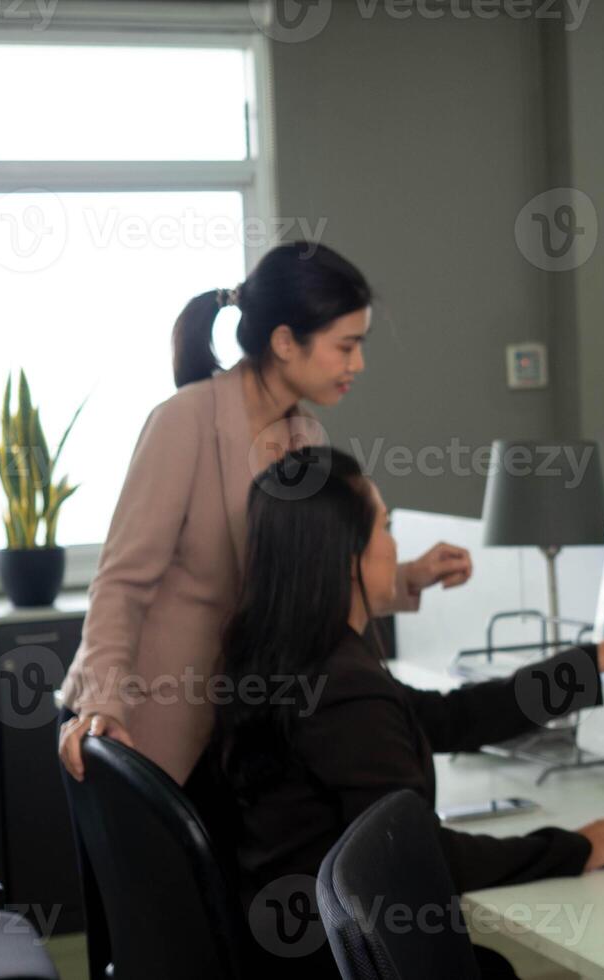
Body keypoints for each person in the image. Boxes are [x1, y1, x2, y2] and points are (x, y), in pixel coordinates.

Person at [213, 447, 604, 977]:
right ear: (346, 555)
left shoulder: (286, 656)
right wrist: (573, 847)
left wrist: (587, 665)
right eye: (383, 526)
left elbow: (451, 717)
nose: (394, 544)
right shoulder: (342, 688)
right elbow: (416, 858)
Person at [58, 241, 473, 789]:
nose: (358, 364)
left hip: (234, 729)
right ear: (284, 342)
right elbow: (120, 583)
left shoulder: (305, 438)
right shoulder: (185, 422)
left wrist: (407, 579)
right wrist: (105, 703)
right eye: (345, 346)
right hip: (140, 724)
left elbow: (301, 578)